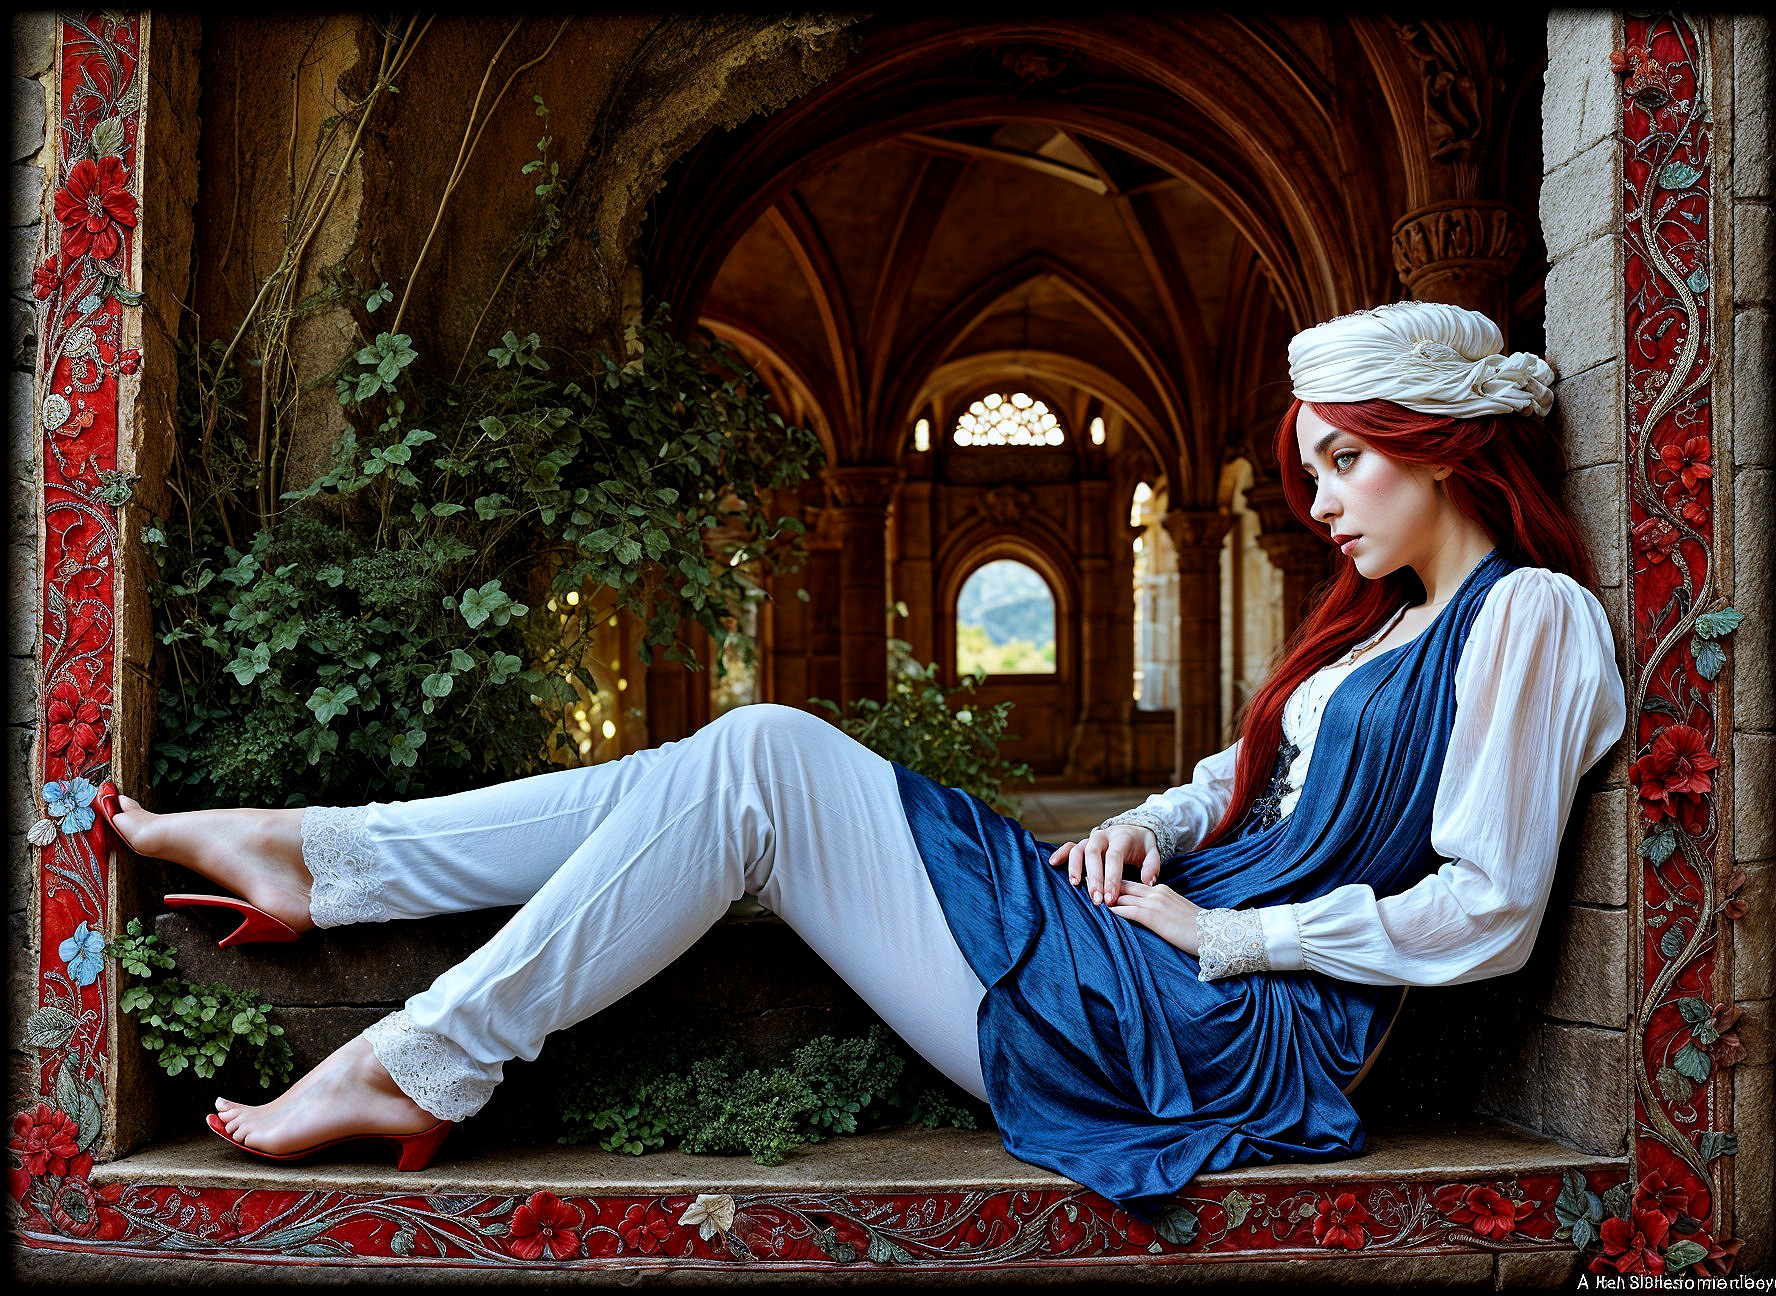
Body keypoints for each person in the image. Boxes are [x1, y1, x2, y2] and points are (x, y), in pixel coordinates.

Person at [97, 300, 1625, 1220]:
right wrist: (1145, 834)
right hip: (1143, 953)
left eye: (1347, 459)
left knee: (758, 755)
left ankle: (408, 1039)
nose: (1323, 500)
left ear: (1441, 444)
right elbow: (1242, 783)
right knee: (711, 772)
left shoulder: (1530, 620)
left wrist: (1234, 931)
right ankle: (322, 861)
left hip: (1212, 1031)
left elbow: (1487, 907)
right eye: (1311, 469)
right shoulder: (1375, 634)